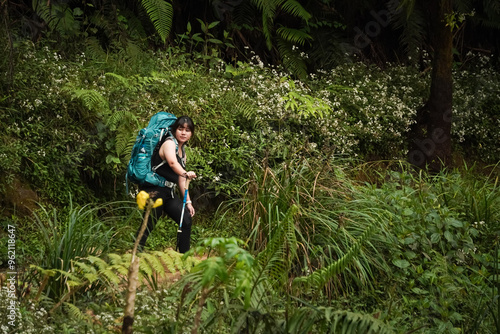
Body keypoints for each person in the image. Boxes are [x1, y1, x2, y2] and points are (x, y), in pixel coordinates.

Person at [136, 116, 197, 253]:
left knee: (185, 220)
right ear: (175, 130)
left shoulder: (183, 152)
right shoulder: (169, 143)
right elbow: (172, 163)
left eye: (187, 130)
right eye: (180, 129)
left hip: (168, 192)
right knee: (148, 224)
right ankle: (134, 257)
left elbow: (181, 180)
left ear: (191, 133)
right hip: (155, 190)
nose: (183, 133)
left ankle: (184, 258)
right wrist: (185, 173)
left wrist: (188, 202)